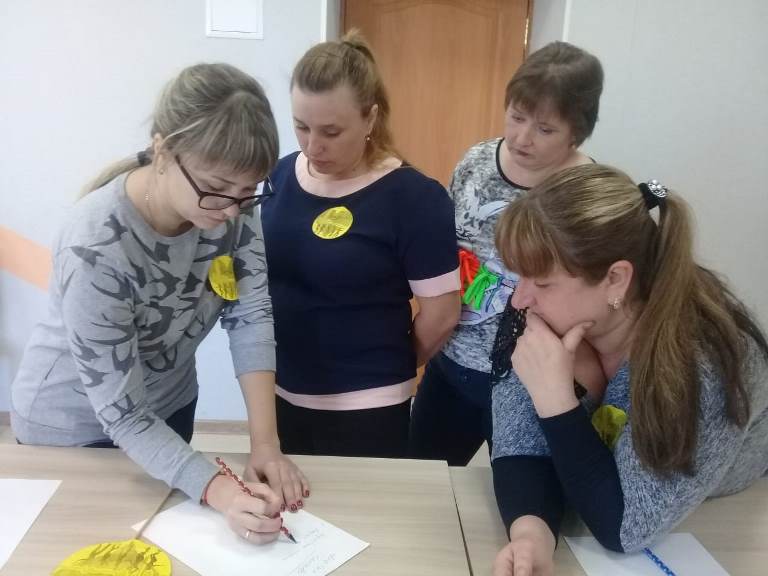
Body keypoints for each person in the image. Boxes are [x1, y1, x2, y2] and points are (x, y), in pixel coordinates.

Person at [11, 63, 309, 544]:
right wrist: (222, 491)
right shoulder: (95, 245)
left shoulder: (230, 205)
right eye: (216, 189)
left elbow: (250, 315)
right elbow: (123, 412)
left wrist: (265, 445)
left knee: (166, 551)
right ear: (164, 151)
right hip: (74, 428)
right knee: (86, 554)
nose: (231, 211)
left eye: (247, 192)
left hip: (168, 406)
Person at [490, 164, 768, 575]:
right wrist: (532, 535)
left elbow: (625, 527)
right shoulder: (543, 312)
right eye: (520, 277)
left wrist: (556, 400)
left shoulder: (704, 364)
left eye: (542, 283)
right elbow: (517, 445)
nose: (519, 299)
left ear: (616, 279)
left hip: (730, 516)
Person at [261, 30, 460, 458]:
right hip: (280, 388)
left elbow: (442, 314)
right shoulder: (279, 176)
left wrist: (387, 363)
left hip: (368, 403)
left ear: (370, 119)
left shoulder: (414, 198)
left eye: (331, 131)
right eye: (301, 127)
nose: (313, 146)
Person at [408, 41, 605, 465]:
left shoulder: (587, 194)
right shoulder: (477, 162)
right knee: (422, 480)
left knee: (518, 494)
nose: (522, 138)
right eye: (516, 117)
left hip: (528, 383)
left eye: (545, 129)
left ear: (577, 132)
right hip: (450, 364)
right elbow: (444, 255)